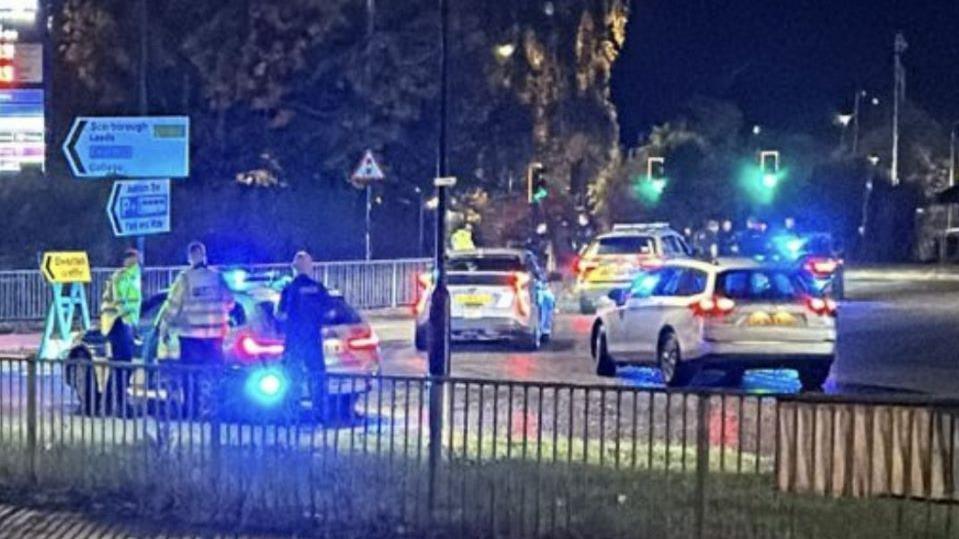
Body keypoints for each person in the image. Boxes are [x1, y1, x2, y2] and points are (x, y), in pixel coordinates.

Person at [158, 242, 234, 411]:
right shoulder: (218, 277)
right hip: (215, 335)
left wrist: (165, 326)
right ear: (204, 255)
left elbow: (172, 306)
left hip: (191, 335)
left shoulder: (185, 278)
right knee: (214, 374)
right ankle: (215, 410)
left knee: (191, 374)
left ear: (190, 257)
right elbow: (230, 302)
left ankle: (192, 409)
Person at [276, 251, 336, 419]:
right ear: (310, 267)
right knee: (317, 376)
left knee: (291, 378)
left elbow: (281, 315)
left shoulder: (289, 289)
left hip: (294, 341)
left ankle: (291, 414)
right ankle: (320, 414)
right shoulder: (318, 288)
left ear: (294, 268)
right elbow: (330, 313)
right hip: (313, 340)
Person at [99, 248, 142, 411]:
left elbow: (134, 303)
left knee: (121, 364)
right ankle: (119, 402)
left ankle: (112, 402)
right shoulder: (122, 276)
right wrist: (129, 322)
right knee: (123, 364)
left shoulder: (133, 275)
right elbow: (120, 302)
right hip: (117, 322)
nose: (134, 262)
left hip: (124, 323)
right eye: (131, 259)